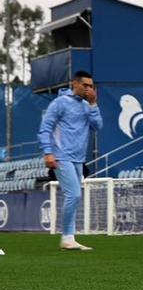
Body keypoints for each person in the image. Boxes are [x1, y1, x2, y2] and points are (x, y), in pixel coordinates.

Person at [37, 71, 103, 251]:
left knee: (73, 196)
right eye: (86, 86)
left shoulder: (86, 105)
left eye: (91, 86)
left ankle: (69, 237)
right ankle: (67, 237)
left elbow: (98, 126)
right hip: (61, 155)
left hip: (79, 158)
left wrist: (93, 104)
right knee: (74, 194)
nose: (89, 89)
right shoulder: (59, 103)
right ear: (75, 84)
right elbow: (45, 129)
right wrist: (48, 152)